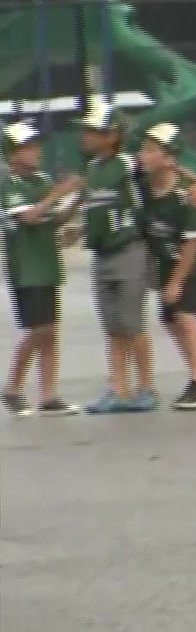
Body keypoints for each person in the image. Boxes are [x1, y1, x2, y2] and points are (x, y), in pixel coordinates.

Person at [76, 100, 159, 414]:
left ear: (111, 135)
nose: (84, 136)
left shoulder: (127, 164)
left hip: (128, 251)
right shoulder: (93, 169)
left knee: (132, 323)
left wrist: (194, 184)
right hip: (101, 254)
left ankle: (147, 387)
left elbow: (164, 167)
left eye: (92, 130)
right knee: (112, 326)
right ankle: (118, 389)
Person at [136, 123, 196, 410]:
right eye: (143, 149)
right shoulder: (142, 182)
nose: (143, 155)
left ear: (169, 158)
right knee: (170, 320)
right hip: (165, 260)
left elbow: (193, 243)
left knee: (186, 316)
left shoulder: (186, 194)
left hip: (194, 261)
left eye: (151, 151)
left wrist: (176, 281)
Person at [1, 122, 81, 417]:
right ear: (12, 153)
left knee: (51, 331)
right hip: (27, 267)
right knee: (38, 329)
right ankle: (13, 387)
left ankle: (48, 394)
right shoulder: (9, 183)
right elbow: (30, 216)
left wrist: (76, 201)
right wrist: (59, 193)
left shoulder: (41, 180)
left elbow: (54, 219)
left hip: (48, 264)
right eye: (28, 147)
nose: (36, 152)